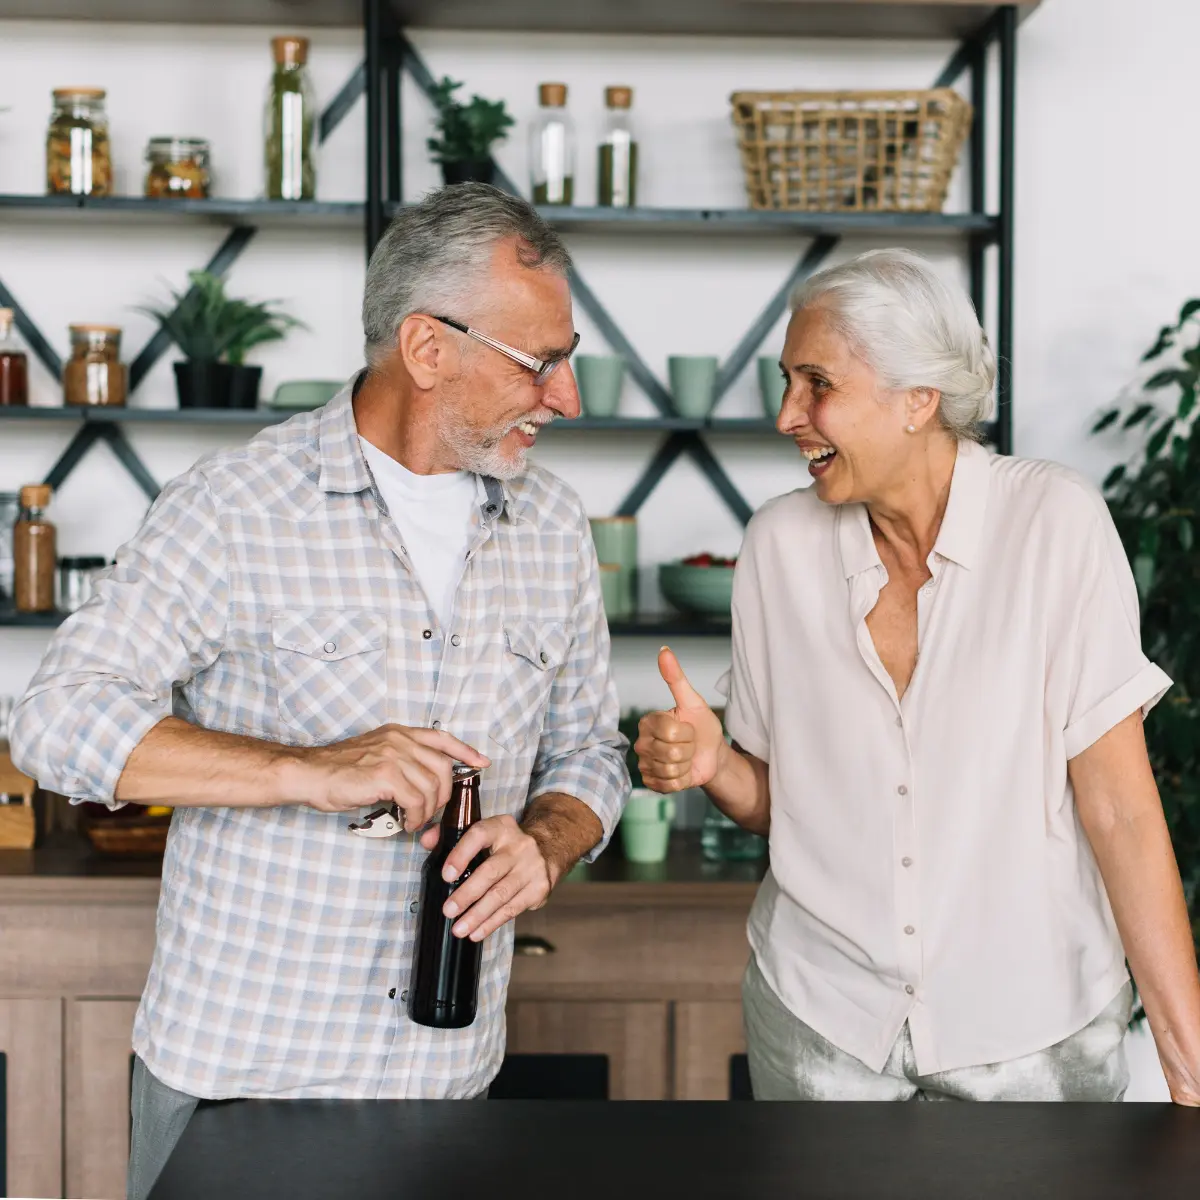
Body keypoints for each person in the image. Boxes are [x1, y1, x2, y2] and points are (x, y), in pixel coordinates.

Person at [10, 183, 629, 1197]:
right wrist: (310, 769)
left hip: (446, 1080)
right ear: (427, 350)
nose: (566, 399)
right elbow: (58, 717)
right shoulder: (235, 508)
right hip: (243, 1085)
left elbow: (589, 754)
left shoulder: (554, 526)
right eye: (541, 363)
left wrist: (546, 842)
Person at [635, 249, 1200, 1104]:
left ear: (918, 399)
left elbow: (1119, 807)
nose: (788, 414)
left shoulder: (1053, 522)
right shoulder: (779, 548)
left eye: (816, 382)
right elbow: (779, 807)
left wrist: (1187, 1063)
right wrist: (717, 766)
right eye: (787, 381)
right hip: (821, 1024)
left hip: (1033, 1033)